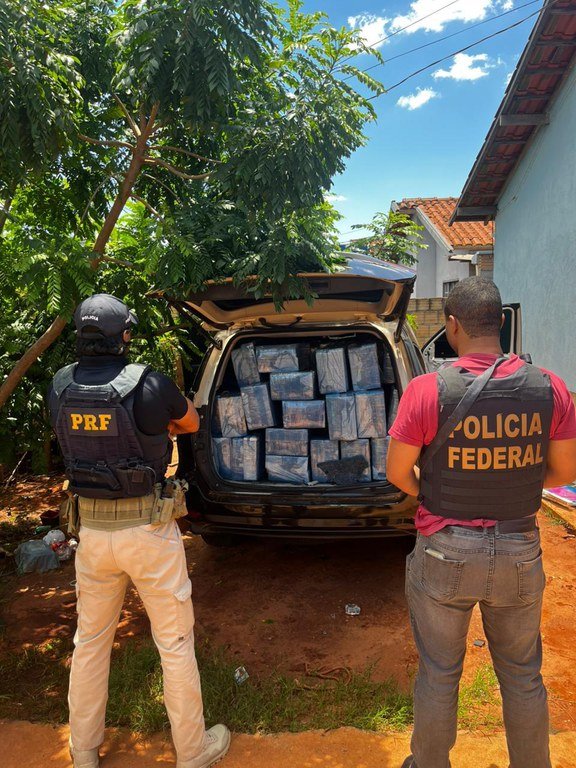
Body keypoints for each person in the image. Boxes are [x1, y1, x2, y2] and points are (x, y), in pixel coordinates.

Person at [386, 277, 576, 768]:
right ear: (501, 323)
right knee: (522, 676)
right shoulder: (550, 387)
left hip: (444, 551)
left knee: (439, 674)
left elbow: (397, 473)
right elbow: (564, 472)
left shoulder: (426, 391)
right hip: (520, 552)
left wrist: (435, 493)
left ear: (452, 326)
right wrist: (513, 484)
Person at [48, 294, 230, 768]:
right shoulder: (148, 383)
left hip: (91, 534)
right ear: (123, 335)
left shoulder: (60, 386)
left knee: (90, 644)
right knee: (174, 644)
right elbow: (190, 422)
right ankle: (192, 751)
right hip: (148, 532)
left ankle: (83, 752)